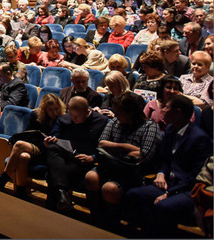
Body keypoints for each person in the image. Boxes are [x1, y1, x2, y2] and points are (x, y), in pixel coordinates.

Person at [125, 95, 210, 238]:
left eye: (166, 107)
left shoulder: (200, 138)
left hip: (187, 190)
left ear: (177, 112)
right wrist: (161, 173)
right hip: (168, 183)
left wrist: (170, 193)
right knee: (133, 194)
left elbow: (196, 177)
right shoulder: (171, 129)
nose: (162, 110)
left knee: (163, 206)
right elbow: (164, 159)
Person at [84, 92, 162, 226]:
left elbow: (144, 155)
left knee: (110, 189)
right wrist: (128, 147)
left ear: (131, 112)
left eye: (119, 112)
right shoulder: (115, 121)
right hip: (110, 165)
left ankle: (110, 225)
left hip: (131, 171)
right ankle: (95, 219)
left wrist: (114, 148)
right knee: (91, 177)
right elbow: (101, 143)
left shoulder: (149, 126)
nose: (116, 114)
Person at [0, 93, 66, 197]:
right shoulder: (36, 115)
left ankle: (2, 180)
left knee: (19, 145)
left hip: (50, 152)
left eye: (56, 108)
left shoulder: (63, 118)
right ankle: (21, 192)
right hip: (36, 148)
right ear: (45, 109)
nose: (54, 112)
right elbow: (27, 134)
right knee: (23, 157)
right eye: (51, 110)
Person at [43, 97, 108, 212]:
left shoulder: (102, 122)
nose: (73, 119)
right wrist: (50, 140)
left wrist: (92, 158)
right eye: (71, 115)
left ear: (87, 111)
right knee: (52, 148)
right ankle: (62, 194)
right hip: (65, 156)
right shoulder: (64, 119)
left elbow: (105, 149)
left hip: (84, 161)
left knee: (53, 174)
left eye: (77, 117)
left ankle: (54, 207)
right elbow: (55, 136)